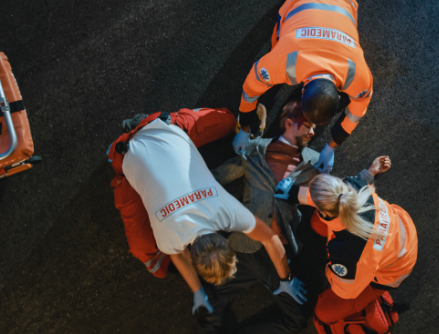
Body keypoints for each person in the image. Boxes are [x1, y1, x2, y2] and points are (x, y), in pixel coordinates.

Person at [205, 101, 394, 334]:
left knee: (296, 317)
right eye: (308, 126)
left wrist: (370, 172)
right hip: (245, 245)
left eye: (314, 129)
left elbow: (340, 194)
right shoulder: (254, 149)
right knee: (209, 292)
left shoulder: (315, 162)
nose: (312, 133)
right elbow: (218, 176)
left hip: (280, 254)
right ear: (289, 123)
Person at [106, 108, 296, 319]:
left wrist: (287, 280)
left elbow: (270, 239)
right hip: (125, 153)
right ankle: (125, 144)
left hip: (165, 128)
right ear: (193, 257)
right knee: (144, 252)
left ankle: (142, 126)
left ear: (227, 243)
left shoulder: (227, 212)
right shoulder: (170, 240)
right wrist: (197, 292)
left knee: (228, 121)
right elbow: (177, 256)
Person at [232, 0, 374, 175]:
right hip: (315, 0)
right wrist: (244, 129)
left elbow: (355, 115)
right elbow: (249, 91)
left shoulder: (359, 76)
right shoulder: (280, 63)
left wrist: (330, 148)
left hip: (344, 2)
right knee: (278, 39)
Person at [299, 170, 417, 327]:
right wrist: (293, 193)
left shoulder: (348, 254)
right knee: (317, 223)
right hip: (403, 232)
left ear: (325, 212)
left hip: (394, 272)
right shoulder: (351, 186)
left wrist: (329, 269)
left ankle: (372, 298)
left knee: (324, 312)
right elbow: (328, 197)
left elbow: (346, 291)